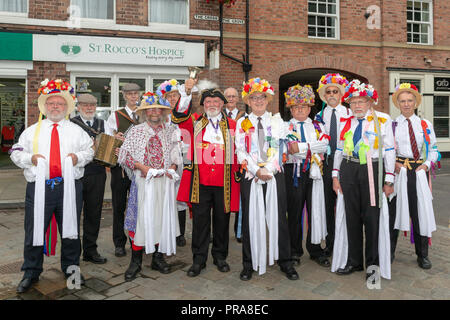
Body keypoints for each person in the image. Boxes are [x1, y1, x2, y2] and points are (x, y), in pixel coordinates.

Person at [10, 79, 94, 293]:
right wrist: (31, 158)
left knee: (71, 229)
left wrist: (78, 157)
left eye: (60, 104)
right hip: (39, 189)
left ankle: (72, 269)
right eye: (51, 103)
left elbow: (90, 151)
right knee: (34, 229)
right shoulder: (31, 131)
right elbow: (16, 152)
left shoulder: (77, 131)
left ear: (66, 108)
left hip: (69, 187)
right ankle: (31, 271)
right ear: (45, 107)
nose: (55, 107)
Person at [172, 80, 240, 277]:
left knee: (222, 220)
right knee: (200, 222)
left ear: (222, 104)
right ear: (203, 105)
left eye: (215, 101)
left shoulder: (233, 125)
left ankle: (220, 257)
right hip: (199, 182)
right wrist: (186, 92)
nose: (212, 104)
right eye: (208, 101)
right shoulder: (194, 121)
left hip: (224, 182)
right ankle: (198, 259)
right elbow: (178, 116)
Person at [235, 77, 298, 281]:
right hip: (251, 175)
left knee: (279, 217)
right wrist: (256, 170)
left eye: (262, 97)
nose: (259, 101)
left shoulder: (277, 121)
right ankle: (249, 263)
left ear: (267, 99)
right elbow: (240, 150)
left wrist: (268, 169)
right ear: (248, 101)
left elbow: (281, 147)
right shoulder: (241, 123)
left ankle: (285, 262)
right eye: (254, 98)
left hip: (274, 174)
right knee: (250, 220)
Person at [332, 80, 395, 280]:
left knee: (371, 218)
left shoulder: (383, 120)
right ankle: (354, 261)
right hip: (349, 169)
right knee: (351, 217)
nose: (357, 106)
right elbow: (339, 150)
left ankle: (373, 266)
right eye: (353, 102)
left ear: (370, 102)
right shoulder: (346, 122)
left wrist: (389, 179)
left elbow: (390, 151)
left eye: (361, 101)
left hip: (372, 168)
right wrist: (335, 175)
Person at [118, 92, 182, 281]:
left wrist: (171, 167)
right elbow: (124, 155)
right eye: (150, 109)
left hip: (164, 182)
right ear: (145, 113)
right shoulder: (136, 131)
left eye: (158, 109)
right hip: (143, 182)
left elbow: (176, 155)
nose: (154, 112)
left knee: (161, 219)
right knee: (139, 221)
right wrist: (141, 167)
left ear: (163, 112)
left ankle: (158, 258)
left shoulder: (170, 132)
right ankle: (135, 262)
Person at [389, 83, 439, 269]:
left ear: (416, 102)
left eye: (410, 100)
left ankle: (422, 254)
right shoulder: (392, 125)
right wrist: (393, 163)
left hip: (419, 173)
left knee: (420, 214)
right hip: (399, 172)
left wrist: (426, 165)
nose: (407, 104)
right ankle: (389, 252)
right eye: (403, 101)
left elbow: (433, 150)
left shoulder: (425, 125)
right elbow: (386, 150)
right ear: (398, 104)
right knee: (393, 213)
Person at [283, 84, 330, 268]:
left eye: (303, 106)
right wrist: (312, 146)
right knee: (293, 213)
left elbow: (325, 145)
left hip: (315, 174)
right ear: (291, 109)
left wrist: (302, 148)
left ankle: (315, 249)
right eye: (295, 107)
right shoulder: (285, 127)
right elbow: (290, 149)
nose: (299, 110)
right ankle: (295, 251)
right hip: (294, 174)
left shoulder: (318, 125)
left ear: (310, 108)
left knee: (315, 210)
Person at [315, 73, 350, 257]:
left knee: (348, 204)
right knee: (328, 205)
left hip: (347, 164)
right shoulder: (318, 116)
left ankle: (348, 243)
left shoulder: (350, 113)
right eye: (328, 92)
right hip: (327, 164)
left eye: (335, 91)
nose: (332, 94)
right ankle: (331, 243)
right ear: (324, 95)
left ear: (341, 94)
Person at [70, 93, 107, 264]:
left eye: (92, 105)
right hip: (76, 174)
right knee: (73, 213)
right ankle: (72, 253)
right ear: (78, 107)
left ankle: (90, 251)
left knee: (94, 213)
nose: (89, 108)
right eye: (85, 105)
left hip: (97, 174)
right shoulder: (71, 125)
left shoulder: (102, 124)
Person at [105, 83, 140, 257]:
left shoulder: (144, 113)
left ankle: (137, 239)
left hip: (139, 168)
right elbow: (108, 139)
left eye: (136, 94)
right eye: (130, 94)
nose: (133, 97)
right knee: (119, 206)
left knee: (138, 205)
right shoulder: (115, 115)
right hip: (120, 169)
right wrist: (114, 137)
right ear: (124, 96)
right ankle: (119, 243)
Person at [156, 79, 189, 247]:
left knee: (180, 197)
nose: (172, 98)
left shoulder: (183, 114)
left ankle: (180, 234)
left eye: (175, 95)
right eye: (169, 96)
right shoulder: (159, 116)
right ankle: (163, 230)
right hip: (162, 161)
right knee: (163, 196)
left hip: (181, 160)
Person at [224, 87, 246, 243]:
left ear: (238, 99)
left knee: (240, 196)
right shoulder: (217, 115)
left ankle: (239, 231)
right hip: (221, 161)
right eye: (228, 96)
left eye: (233, 96)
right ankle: (220, 230)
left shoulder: (245, 117)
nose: (231, 99)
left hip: (239, 161)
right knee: (222, 197)